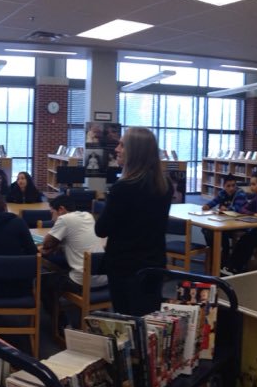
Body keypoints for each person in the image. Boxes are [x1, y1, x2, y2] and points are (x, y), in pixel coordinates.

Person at [94, 127, 172, 315]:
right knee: (148, 319)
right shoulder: (165, 185)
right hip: (154, 265)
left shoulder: (123, 188)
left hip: (125, 268)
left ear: (135, 151)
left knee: (127, 322)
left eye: (122, 145)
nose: (117, 149)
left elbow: (101, 229)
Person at [40, 193, 107, 330]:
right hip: (103, 278)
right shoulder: (88, 216)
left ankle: (62, 325)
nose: (52, 219)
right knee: (64, 267)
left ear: (61, 209)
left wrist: (52, 246)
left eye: (52, 213)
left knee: (44, 283)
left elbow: (46, 243)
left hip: (83, 282)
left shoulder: (64, 219)